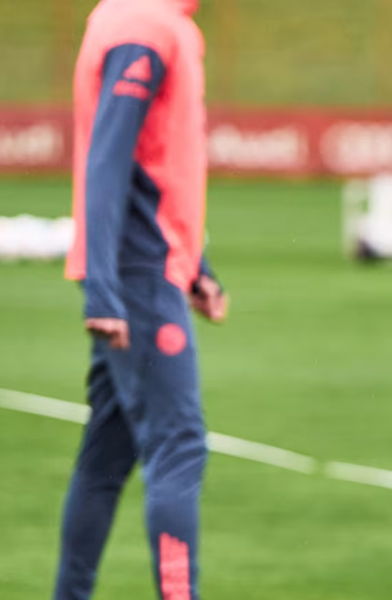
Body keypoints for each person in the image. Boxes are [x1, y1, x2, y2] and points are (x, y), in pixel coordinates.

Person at [58, 0, 225, 598]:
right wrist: (106, 289)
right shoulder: (144, 25)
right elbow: (107, 159)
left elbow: (157, 162)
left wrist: (195, 264)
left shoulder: (144, 18)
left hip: (147, 267)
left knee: (105, 457)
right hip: (138, 275)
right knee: (179, 447)